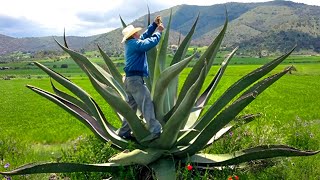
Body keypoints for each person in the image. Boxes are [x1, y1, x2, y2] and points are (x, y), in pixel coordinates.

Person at [118, 16, 164, 140]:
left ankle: (123, 132)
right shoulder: (134, 44)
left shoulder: (131, 43)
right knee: (146, 103)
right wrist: (159, 32)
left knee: (131, 108)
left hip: (129, 81)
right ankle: (155, 130)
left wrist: (154, 25)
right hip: (135, 81)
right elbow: (148, 43)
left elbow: (144, 37)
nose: (139, 34)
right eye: (136, 33)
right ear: (133, 35)